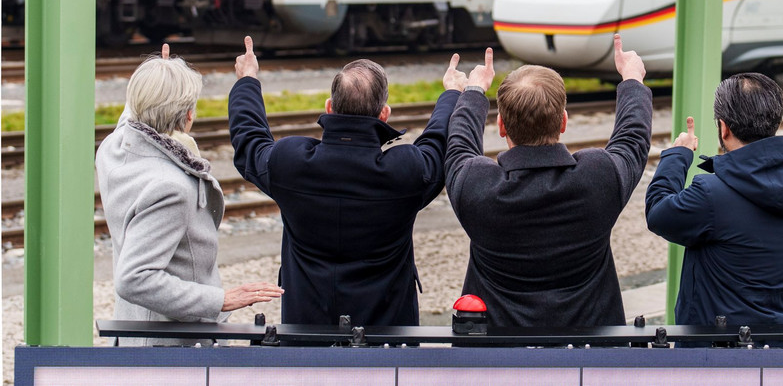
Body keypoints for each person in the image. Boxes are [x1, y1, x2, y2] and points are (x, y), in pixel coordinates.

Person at [228, 36, 465, 331]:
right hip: (389, 334)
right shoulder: (406, 171)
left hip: (305, 331)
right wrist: (452, 93)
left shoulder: (290, 163)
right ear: (384, 114)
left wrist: (247, 80)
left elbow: (249, 140)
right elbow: (438, 143)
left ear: (329, 107)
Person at [445, 35, 652, 327]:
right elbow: (632, 139)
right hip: (589, 347)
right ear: (563, 121)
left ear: (501, 126)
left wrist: (473, 92)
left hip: (497, 347)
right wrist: (632, 79)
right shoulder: (598, 178)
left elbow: (459, 145)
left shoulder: (476, 186)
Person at [97, 44, 283, 346]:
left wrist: (161, 76)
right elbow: (134, 278)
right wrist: (220, 300)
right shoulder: (171, 187)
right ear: (188, 116)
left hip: (135, 332)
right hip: (173, 349)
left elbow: (134, 112)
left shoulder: (114, 148)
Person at [645, 73, 783, 347]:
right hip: (777, 348)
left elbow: (658, 212)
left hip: (713, 354)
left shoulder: (711, 195)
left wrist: (678, 155)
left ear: (724, 127)